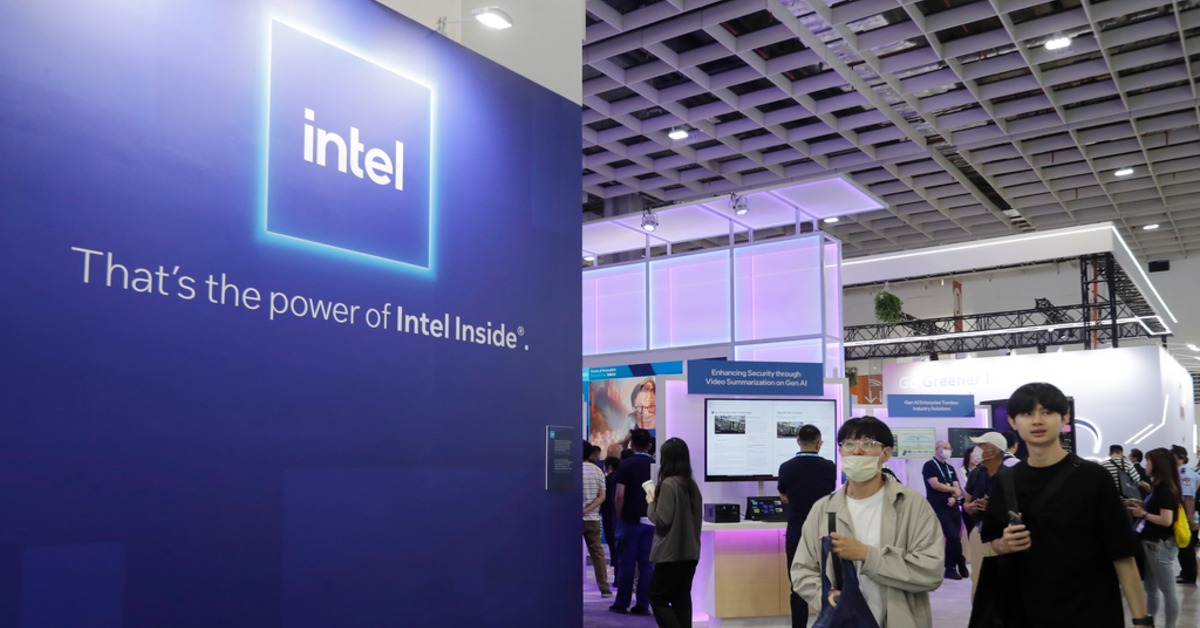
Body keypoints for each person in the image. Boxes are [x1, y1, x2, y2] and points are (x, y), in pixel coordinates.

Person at [970, 382, 1148, 628]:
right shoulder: (1007, 480)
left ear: (1064, 418)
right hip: (1026, 611)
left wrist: (1141, 620)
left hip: (1091, 611)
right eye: (1027, 413)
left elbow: (1122, 554)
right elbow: (993, 542)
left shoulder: (1094, 478)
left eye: (1047, 412)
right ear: (1012, 422)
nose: (1037, 420)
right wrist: (1004, 544)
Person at [791, 416, 944, 628]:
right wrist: (824, 595)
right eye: (849, 444)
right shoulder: (824, 509)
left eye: (867, 443)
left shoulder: (911, 505)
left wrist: (866, 555)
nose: (856, 451)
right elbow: (802, 570)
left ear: (886, 454)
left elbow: (931, 572)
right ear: (840, 451)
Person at [776, 424, 836, 628]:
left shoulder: (786, 467)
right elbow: (830, 491)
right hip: (823, 533)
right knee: (828, 583)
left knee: (797, 586)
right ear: (819, 444)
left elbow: (784, 494)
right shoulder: (829, 467)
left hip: (796, 533)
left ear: (797, 442)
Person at [646, 437, 703, 628]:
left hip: (670, 554)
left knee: (657, 598)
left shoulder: (669, 484)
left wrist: (651, 503)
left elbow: (662, 520)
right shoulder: (691, 485)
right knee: (681, 600)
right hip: (690, 554)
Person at [1127, 448, 1181, 628]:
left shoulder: (1165, 488)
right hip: (1151, 543)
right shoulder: (1158, 486)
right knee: (1151, 590)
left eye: (1148, 461)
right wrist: (1142, 506)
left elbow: (1166, 520)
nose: (1146, 465)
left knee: (1168, 591)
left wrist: (1143, 514)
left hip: (1159, 545)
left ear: (1157, 465)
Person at [611, 428, 655, 615]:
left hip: (629, 520)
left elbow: (619, 495)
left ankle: (622, 604)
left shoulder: (626, 465)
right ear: (649, 445)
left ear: (632, 444)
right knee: (647, 565)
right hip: (651, 521)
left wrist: (619, 517)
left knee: (626, 564)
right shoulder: (655, 465)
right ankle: (643, 604)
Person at [962, 431, 1006, 595]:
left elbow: (1016, 510)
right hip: (979, 531)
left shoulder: (1009, 476)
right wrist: (971, 507)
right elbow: (966, 503)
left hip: (1003, 534)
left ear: (992, 452)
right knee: (978, 578)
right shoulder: (975, 474)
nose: (976, 451)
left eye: (980, 446)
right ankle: (979, 610)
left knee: (1002, 579)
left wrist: (993, 507)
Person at [923, 439, 968, 580]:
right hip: (938, 506)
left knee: (956, 537)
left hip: (953, 506)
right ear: (937, 449)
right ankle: (957, 563)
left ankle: (953, 565)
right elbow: (935, 484)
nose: (947, 451)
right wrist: (952, 490)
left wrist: (954, 497)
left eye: (949, 448)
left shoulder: (950, 468)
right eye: (944, 448)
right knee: (952, 536)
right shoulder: (930, 465)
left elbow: (958, 488)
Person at [582, 441, 613, 597]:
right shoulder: (598, 471)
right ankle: (604, 588)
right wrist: (588, 509)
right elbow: (602, 496)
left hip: (573, 519)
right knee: (597, 553)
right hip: (593, 518)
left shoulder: (572, 470)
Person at [1171, 445, 1199, 585]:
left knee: (1186, 546)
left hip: (1186, 513)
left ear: (1180, 457)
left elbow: (1188, 497)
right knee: (1185, 545)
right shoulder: (1183, 471)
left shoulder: (1184, 473)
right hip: (1185, 512)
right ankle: (1186, 572)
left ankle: (1189, 575)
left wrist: (1190, 518)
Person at [601, 455, 621, 585]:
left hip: (608, 516)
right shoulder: (620, 478)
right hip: (619, 516)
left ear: (608, 466)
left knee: (613, 546)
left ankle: (616, 574)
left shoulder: (607, 479)